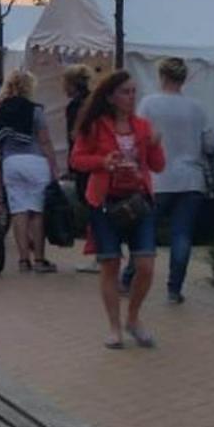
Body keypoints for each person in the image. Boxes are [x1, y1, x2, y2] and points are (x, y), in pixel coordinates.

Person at [70, 70, 166, 349]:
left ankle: (133, 318)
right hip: (105, 201)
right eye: (125, 92)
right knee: (110, 264)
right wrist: (104, 161)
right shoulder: (96, 126)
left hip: (138, 201)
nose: (131, 97)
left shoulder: (142, 126)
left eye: (134, 91)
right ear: (111, 97)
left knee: (146, 265)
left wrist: (156, 146)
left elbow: (158, 166)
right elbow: (77, 160)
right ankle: (114, 327)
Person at [138, 58, 214, 303]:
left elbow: (140, 137)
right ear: (184, 79)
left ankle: (132, 276)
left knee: (145, 231)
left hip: (157, 178)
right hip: (191, 178)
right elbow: (211, 144)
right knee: (181, 235)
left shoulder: (149, 104)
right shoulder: (197, 108)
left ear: (161, 76)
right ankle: (174, 290)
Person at [0, 70, 60, 273]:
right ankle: (39, 259)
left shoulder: (2, 110)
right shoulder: (35, 111)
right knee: (37, 212)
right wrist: (54, 165)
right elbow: (45, 140)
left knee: (18, 212)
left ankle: (23, 260)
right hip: (35, 161)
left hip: (11, 162)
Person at [61, 65, 97, 273]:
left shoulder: (76, 106)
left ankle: (99, 253)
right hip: (97, 159)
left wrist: (72, 163)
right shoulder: (94, 102)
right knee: (96, 206)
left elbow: (73, 138)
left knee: (93, 205)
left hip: (85, 162)